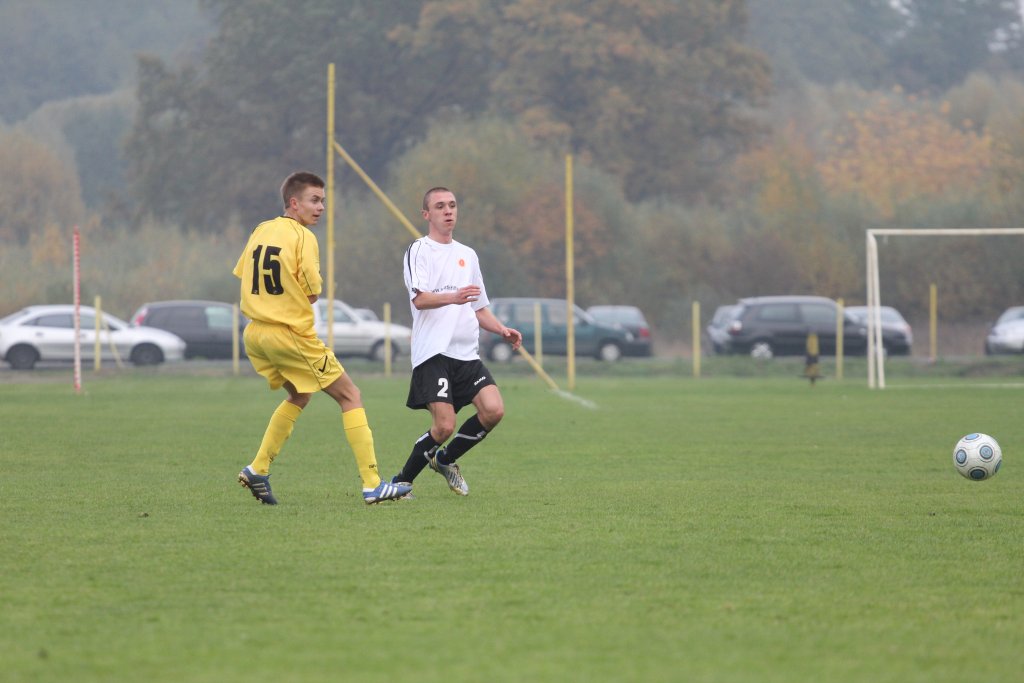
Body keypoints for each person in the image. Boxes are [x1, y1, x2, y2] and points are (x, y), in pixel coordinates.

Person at [232, 171, 411, 505]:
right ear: (293, 203)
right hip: (289, 334)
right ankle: (373, 483)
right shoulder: (302, 237)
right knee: (350, 395)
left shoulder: (260, 230)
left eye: (323, 201)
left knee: (300, 394)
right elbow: (313, 292)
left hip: (255, 334)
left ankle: (258, 468)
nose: (321, 208)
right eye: (315, 200)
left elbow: (244, 275)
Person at [391, 187, 522, 496]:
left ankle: (445, 460)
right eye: (440, 206)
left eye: (452, 205)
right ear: (427, 214)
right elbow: (421, 300)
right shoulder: (418, 250)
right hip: (433, 352)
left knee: (493, 410)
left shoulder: (468, 254)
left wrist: (502, 329)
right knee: (444, 427)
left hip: (466, 354)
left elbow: (479, 308)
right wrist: (454, 296)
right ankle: (401, 481)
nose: (448, 211)